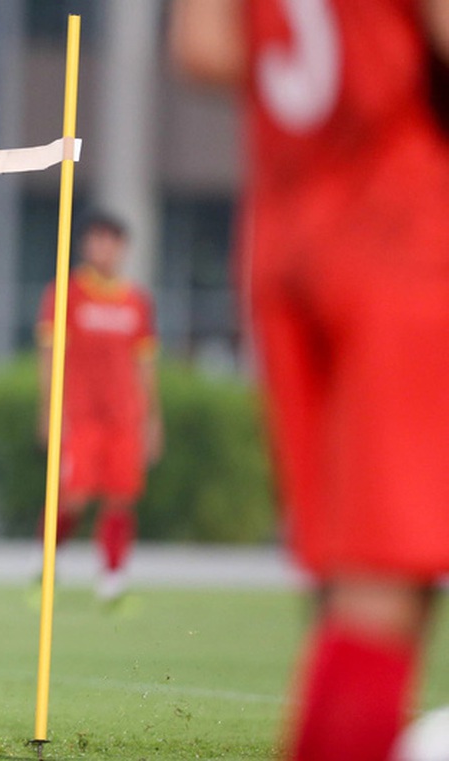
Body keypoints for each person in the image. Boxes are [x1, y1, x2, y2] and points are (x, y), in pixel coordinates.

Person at [169, 1, 449, 759]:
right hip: (400, 228)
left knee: (343, 590)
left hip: (286, 243)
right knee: (381, 596)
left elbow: (200, 45)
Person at [36, 213, 162, 602]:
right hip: (81, 415)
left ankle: (112, 581)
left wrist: (152, 419)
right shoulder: (65, 294)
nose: (103, 249)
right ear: (87, 246)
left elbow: (145, 364)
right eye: (97, 240)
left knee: (120, 496)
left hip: (124, 417)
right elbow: (49, 356)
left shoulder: (136, 302)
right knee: (73, 494)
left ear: (122, 249)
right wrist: (47, 409)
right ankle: (47, 564)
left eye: (112, 241)